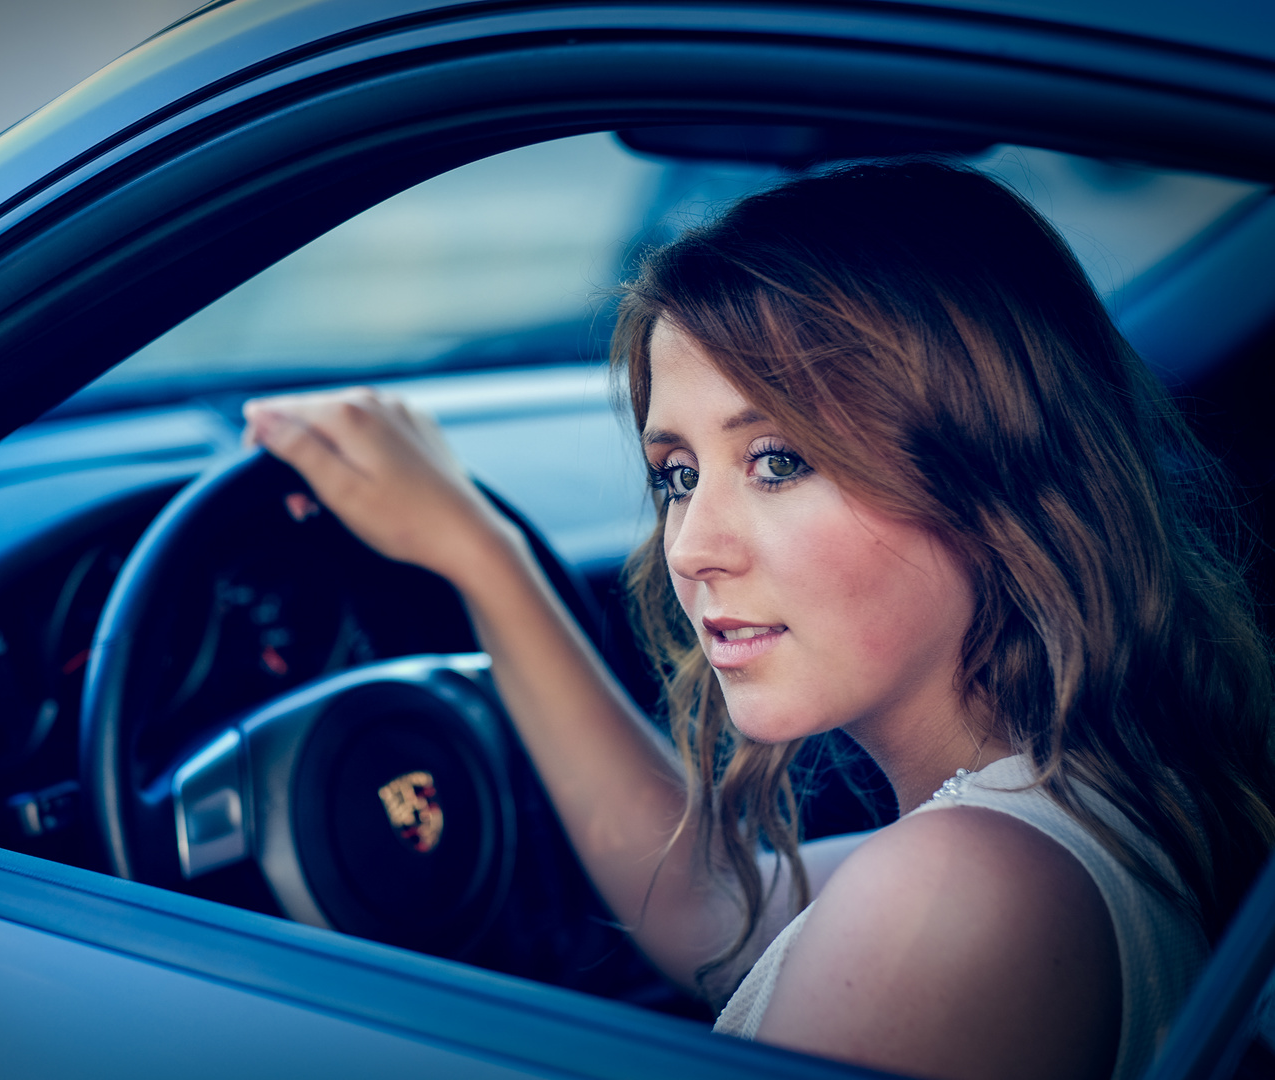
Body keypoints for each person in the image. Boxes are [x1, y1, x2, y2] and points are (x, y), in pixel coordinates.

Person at [240, 159, 1275, 1080]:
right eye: (677, 475)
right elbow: (708, 912)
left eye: (778, 461)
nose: (690, 547)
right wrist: (482, 555)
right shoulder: (1100, 807)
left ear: (988, 475)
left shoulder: (959, 897)